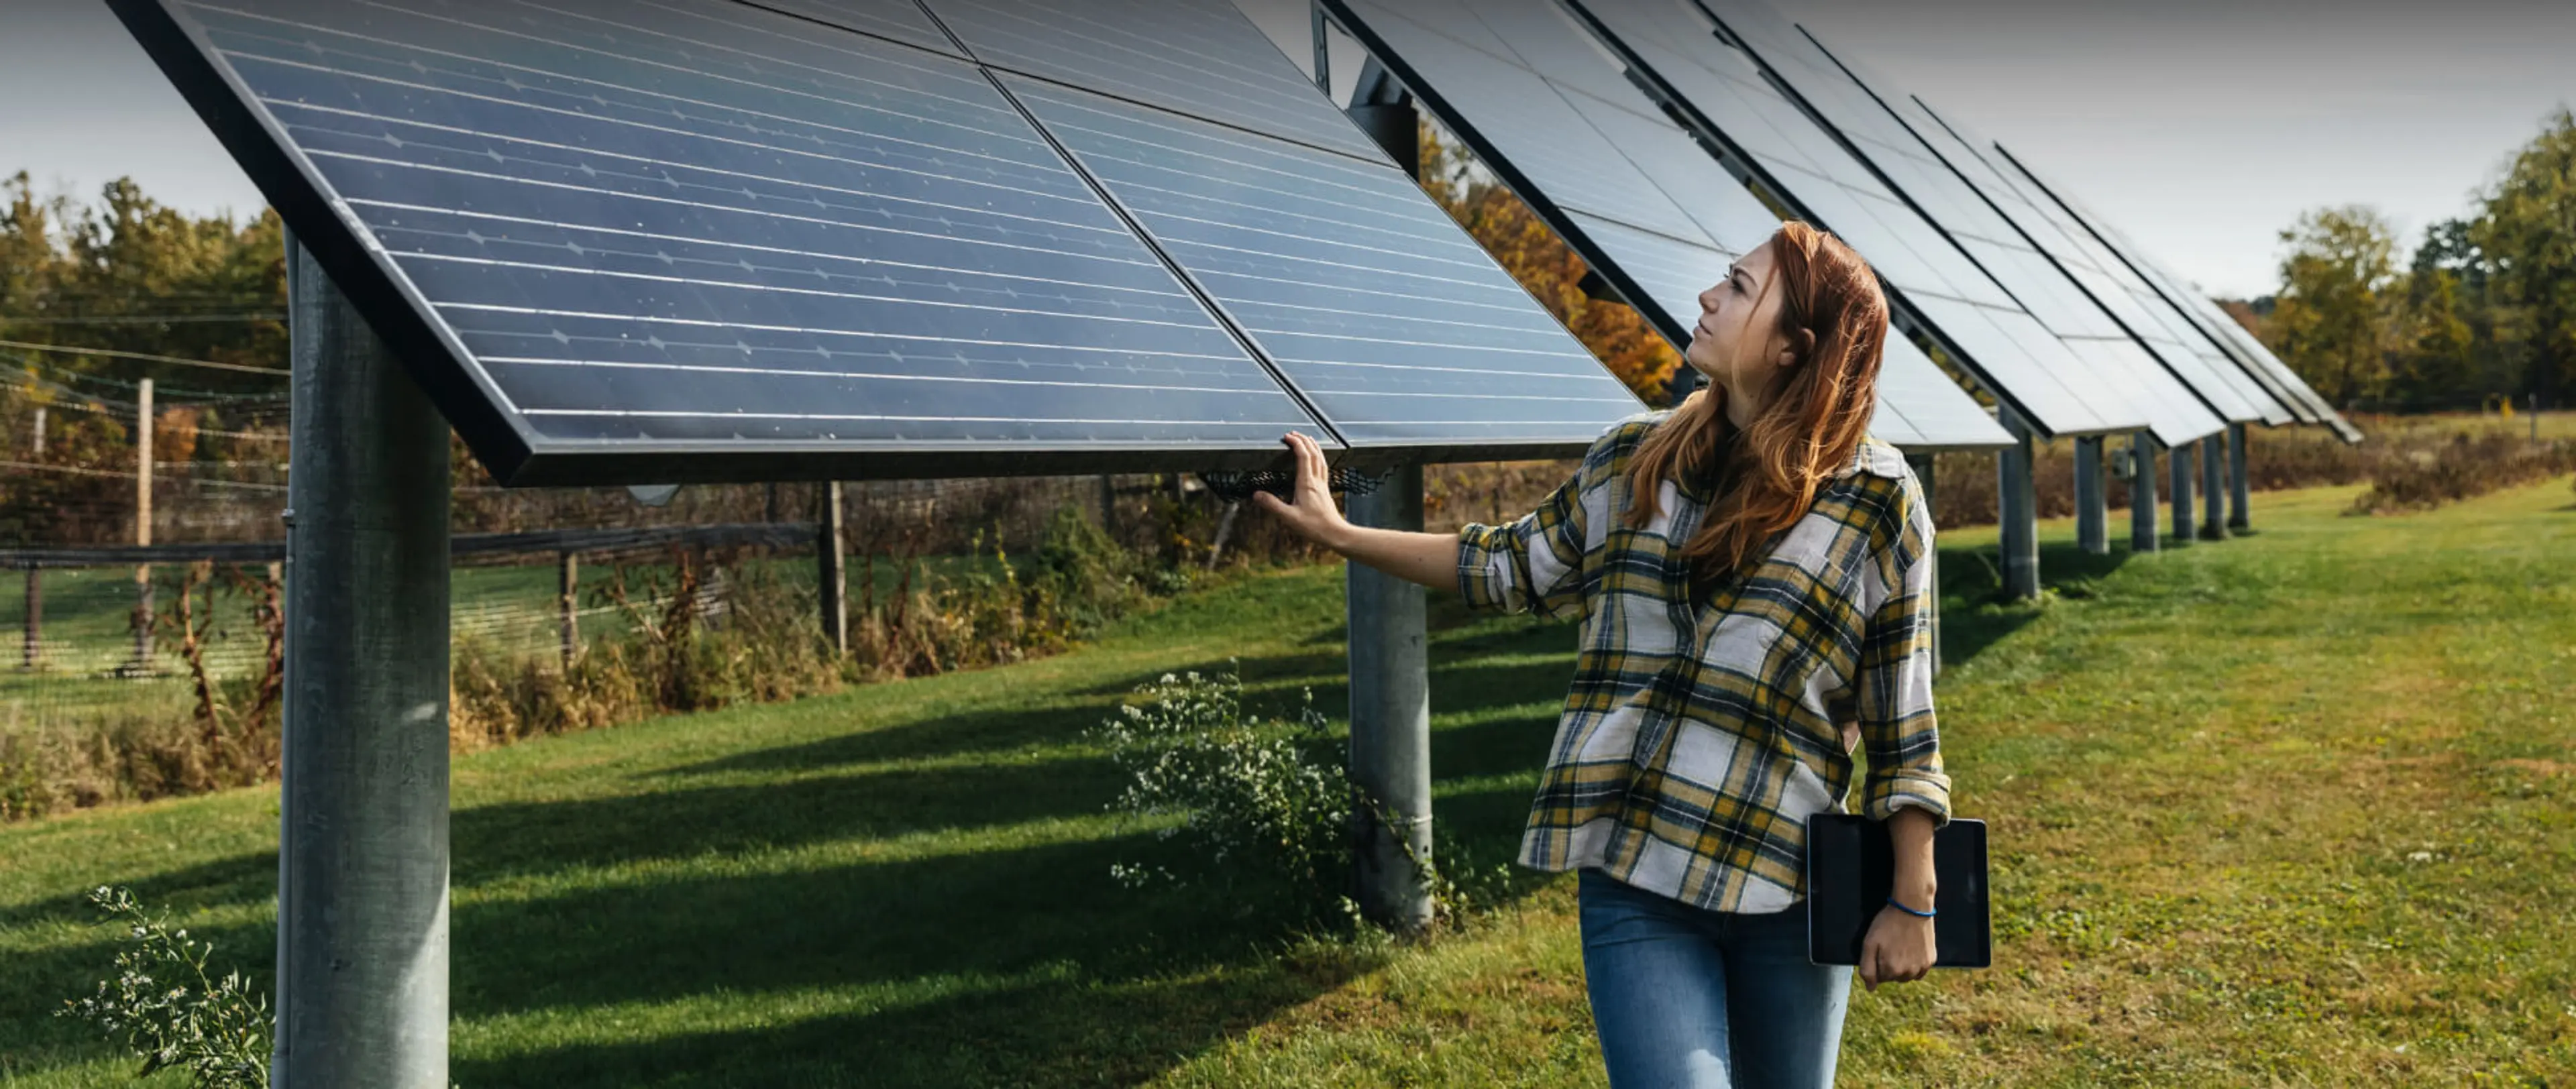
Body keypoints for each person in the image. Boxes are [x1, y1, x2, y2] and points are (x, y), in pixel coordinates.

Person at [1254, 221, 1949, 1089]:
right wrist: (1342, 534)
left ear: (1793, 347)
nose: (1708, 297)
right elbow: (1507, 566)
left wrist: (1915, 898)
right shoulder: (1635, 459)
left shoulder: (1879, 502)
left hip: (1787, 886)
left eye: (1739, 287)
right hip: (1634, 872)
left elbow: (1903, 726)